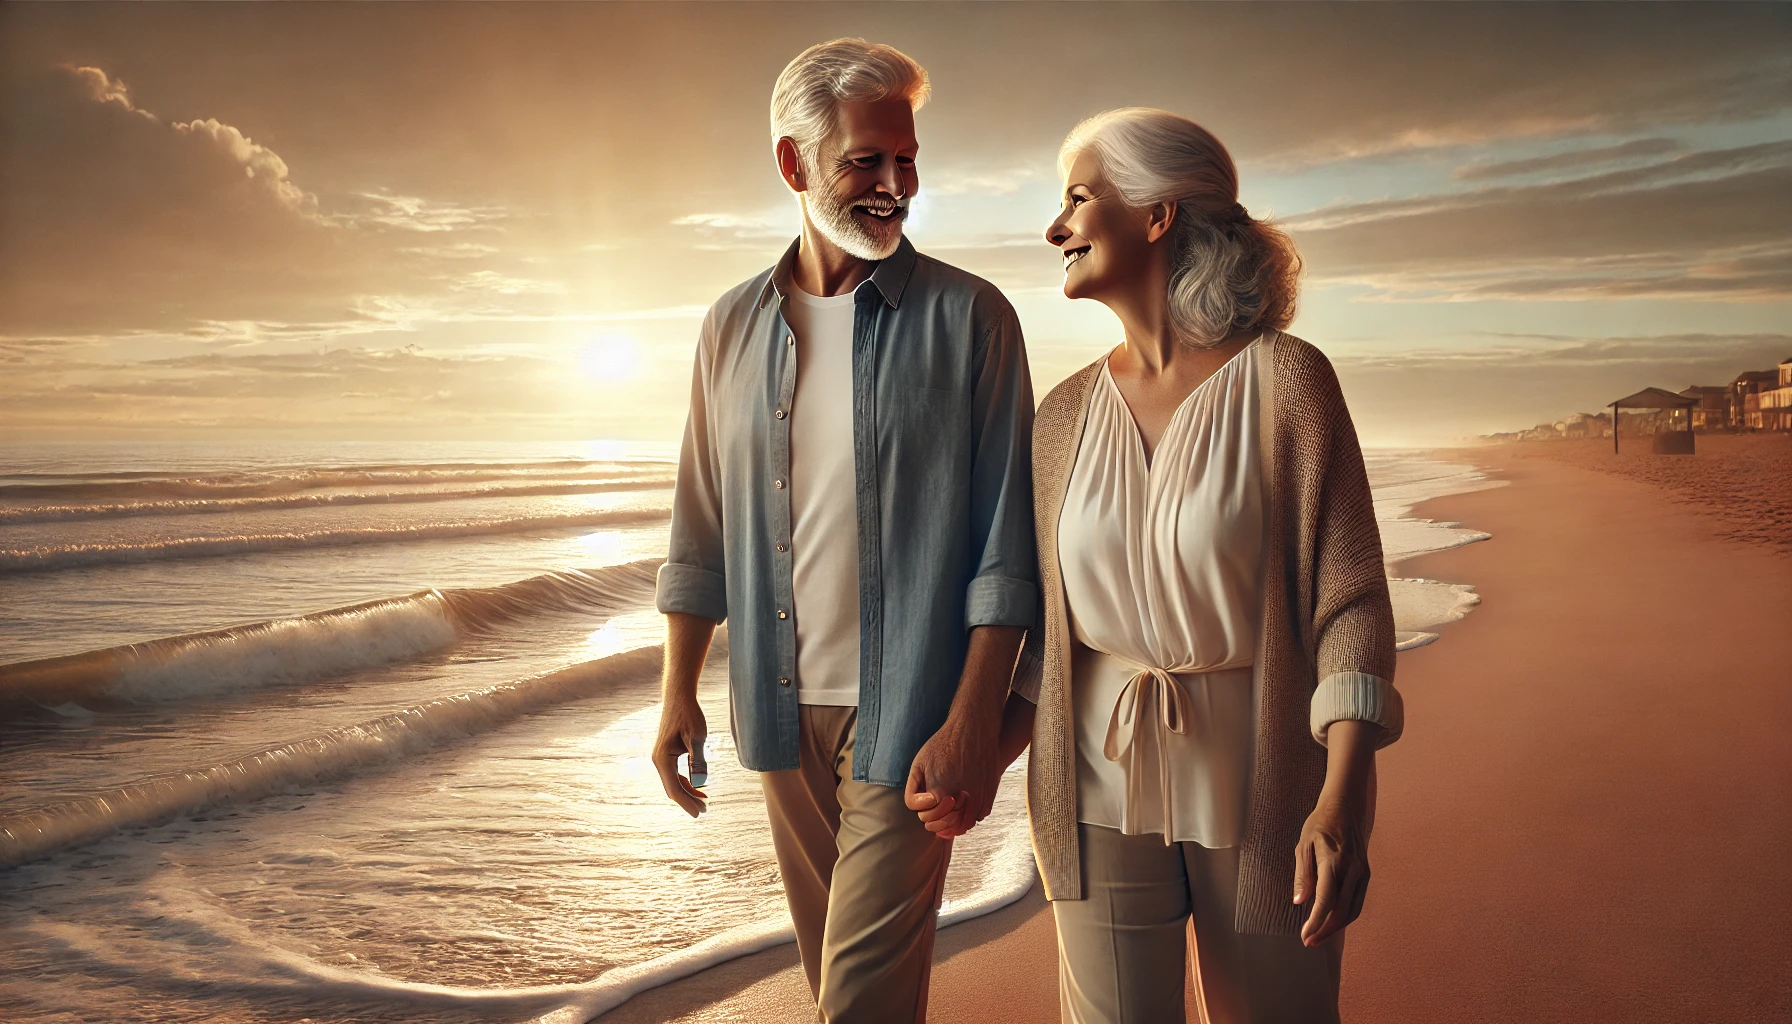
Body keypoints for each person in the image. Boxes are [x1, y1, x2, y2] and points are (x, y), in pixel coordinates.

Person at [649, 38, 1037, 1024]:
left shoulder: (972, 320)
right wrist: (674, 691)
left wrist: (977, 727)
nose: (894, 185)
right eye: (866, 160)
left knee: (857, 1006)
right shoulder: (727, 328)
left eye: (905, 160)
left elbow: (1007, 545)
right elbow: (698, 522)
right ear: (794, 165)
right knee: (844, 993)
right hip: (777, 716)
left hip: (909, 711)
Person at [994, 108, 1406, 1023]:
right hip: (1094, 790)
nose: (1056, 228)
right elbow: (1047, 642)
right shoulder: (1061, 417)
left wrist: (1344, 798)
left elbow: (1350, 606)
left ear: (1157, 215)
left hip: (1267, 791)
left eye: (1078, 198)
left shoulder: (1289, 381)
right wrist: (969, 756)